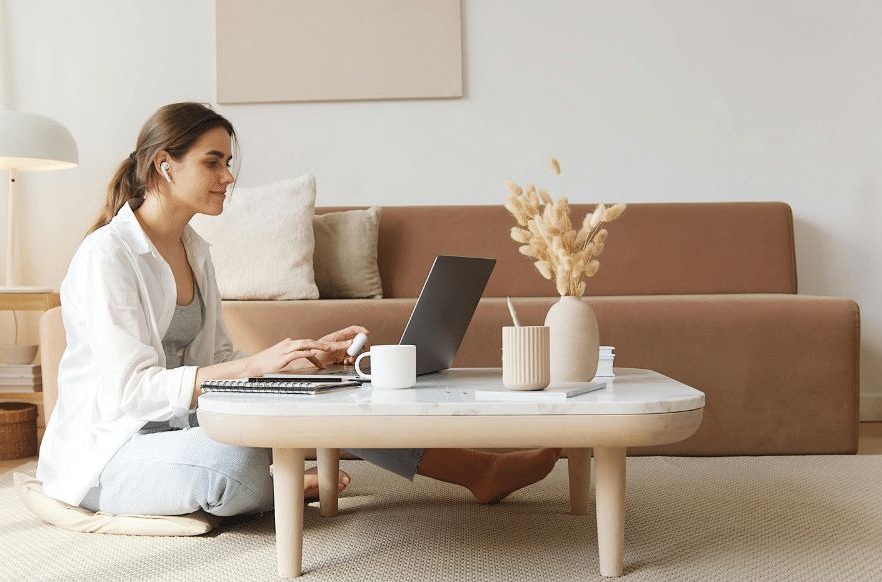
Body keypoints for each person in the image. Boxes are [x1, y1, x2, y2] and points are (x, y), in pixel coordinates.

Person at [36, 102, 560, 517]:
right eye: (212, 162)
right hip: (112, 450)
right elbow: (133, 390)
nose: (228, 176)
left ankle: (478, 471)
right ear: (164, 165)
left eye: (228, 163)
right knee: (233, 460)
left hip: (181, 426)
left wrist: (298, 362)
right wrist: (259, 365)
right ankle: (280, 486)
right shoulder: (108, 255)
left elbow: (217, 361)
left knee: (332, 395)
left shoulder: (195, 250)